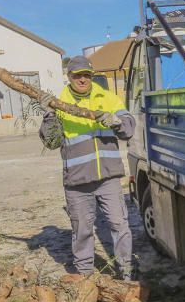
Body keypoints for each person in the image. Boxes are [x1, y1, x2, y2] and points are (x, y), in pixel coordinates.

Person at [38, 55, 136, 279]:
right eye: (77, 75)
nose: (82, 79)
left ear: (91, 76)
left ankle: (127, 272)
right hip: (77, 181)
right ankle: (85, 278)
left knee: (120, 225)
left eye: (86, 75)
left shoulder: (108, 98)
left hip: (108, 177)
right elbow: (51, 142)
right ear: (69, 77)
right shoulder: (59, 103)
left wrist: (117, 121)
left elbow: (129, 129)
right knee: (82, 230)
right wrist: (49, 115)